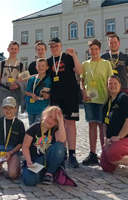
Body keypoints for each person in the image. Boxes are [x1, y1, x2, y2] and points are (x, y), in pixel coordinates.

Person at [47, 38, 82, 168]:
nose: (54, 48)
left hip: (70, 95)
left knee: (70, 123)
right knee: (57, 124)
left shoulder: (68, 57)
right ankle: (62, 151)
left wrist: (74, 56)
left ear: (61, 46)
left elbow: (79, 71)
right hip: (56, 96)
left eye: (56, 46)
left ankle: (72, 153)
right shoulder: (48, 61)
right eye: (51, 46)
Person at [101, 75, 128, 178]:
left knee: (112, 155)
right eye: (110, 83)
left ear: (120, 85)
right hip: (115, 140)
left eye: (115, 83)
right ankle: (124, 159)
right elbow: (104, 124)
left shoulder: (123, 98)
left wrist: (119, 137)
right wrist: (106, 139)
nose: (112, 86)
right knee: (106, 166)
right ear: (107, 86)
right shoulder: (108, 103)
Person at [80, 39, 113, 165]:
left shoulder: (106, 64)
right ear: (89, 50)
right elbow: (82, 81)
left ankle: (104, 153)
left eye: (96, 49)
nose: (93, 51)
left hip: (103, 99)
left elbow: (109, 81)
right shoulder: (85, 64)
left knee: (102, 127)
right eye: (91, 49)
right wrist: (83, 92)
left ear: (99, 50)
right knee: (91, 126)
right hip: (89, 100)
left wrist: (111, 97)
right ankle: (92, 153)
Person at [22, 106, 66, 186]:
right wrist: (28, 160)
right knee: (30, 181)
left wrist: (61, 121)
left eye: (55, 120)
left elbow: (61, 141)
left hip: (48, 159)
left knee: (60, 147)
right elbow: (25, 146)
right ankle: (43, 173)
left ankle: (49, 173)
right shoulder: (34, 127)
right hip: (36, 161)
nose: (51, 121)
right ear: (44, 115)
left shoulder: (54, 130)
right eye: (50, 117)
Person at [0, 41, 25, 118]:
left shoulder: (21, 65)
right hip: (3, 91)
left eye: (15, 49)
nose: (13, 51)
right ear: (8, 49)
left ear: (18, 50)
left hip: (15, 93)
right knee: (1, 114)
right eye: (12, 49)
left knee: (13, 115)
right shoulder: (2, 63)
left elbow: (25, 79)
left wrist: (17, 84)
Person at [25, 58, 51, 125]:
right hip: (31, 108)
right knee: (31, 127)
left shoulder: (49, 80)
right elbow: (26, 92)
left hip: (42, 108)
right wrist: (31, 95)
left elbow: (53, 92)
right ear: (36, 67)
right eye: (39, 66)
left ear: (47, 67)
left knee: (38, 127)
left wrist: (48, 95)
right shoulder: (32, 79)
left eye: (43, 66)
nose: (41, 68)